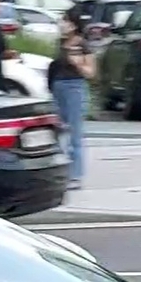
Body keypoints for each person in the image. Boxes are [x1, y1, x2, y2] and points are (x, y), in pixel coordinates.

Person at [47, 14, 92, 189]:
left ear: (74, 25)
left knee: (74, 132)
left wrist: (77, 64)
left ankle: (75, 175)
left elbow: (90, 72)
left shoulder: (82, 44)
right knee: (59, 131)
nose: (62, 24)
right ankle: (60, 172)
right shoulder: (61, 43)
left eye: (65, 21)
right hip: (58, 88)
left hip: (74, 87)